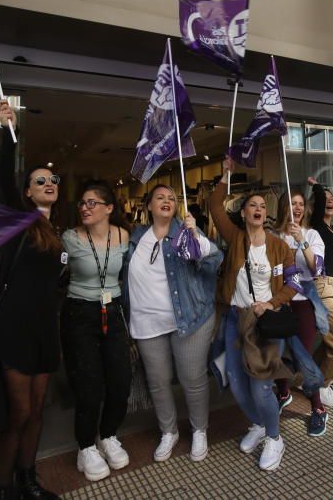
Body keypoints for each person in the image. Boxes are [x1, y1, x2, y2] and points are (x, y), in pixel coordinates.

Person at [0, 100, 66, 500]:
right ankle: (4, 490)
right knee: (17, 415)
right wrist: (7, 129)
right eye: (40, 181)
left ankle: (28, 480)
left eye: (52, 179)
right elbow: (4, 175)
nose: (49, 183)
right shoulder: (18, 221)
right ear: (25, 192)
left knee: (37, 413)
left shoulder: (56, 231)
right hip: (14, 328)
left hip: (44, 329)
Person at [208, 156, 304, 470]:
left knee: (260, 385)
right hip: (236, 320)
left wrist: (272, 303)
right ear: (244, 212)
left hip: (266, 322)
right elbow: (214, 204)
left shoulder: (280, 246)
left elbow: (293, 284)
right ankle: (259, 424)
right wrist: (226, 173)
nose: (258, 208)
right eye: (253, 204)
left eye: (263, 205)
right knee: (236, 383)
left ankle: (275, 438)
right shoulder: (234, 237)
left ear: (266, 213)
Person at [121, 184, 223, 463]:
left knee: (192, 379)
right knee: (158, 382)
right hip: (146, 322)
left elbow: (214, 261)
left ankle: (199, 429)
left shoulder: (185, 231)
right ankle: (169, 431)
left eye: (171, 198)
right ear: (149, 206)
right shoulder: (134, 237)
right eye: (160, 198)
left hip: (190, 319)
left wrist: (196, 239)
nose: (166, 201)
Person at [60, 180, 133, 483]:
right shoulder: (69, 238)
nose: (85, 208)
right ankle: (86, 446)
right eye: (82, 203)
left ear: (109, 209)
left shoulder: (123, 235)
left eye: (92, 203)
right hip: (80, 313)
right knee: (88, 385)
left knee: (120, 380)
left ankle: (109, 435)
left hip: (112, 311)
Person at [271, 189, 330, 436]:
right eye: (292, 204)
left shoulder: (312, 233)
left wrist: (302, 241)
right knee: (278, 353)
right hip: (278, 300)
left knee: (303, 356)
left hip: (303, 300)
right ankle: (283, 393)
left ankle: (318, 408)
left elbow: (317, 268)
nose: (297, 208)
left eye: (300, 204)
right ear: (284, 207)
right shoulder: (272, 235)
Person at [306, 177, 333, 407]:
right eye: (325, 199)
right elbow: (321, 200)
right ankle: (323, 386)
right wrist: (318, 186)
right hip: (323, 288)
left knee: (330, 343)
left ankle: (305, 378)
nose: (329, 202)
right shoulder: (316, 227)